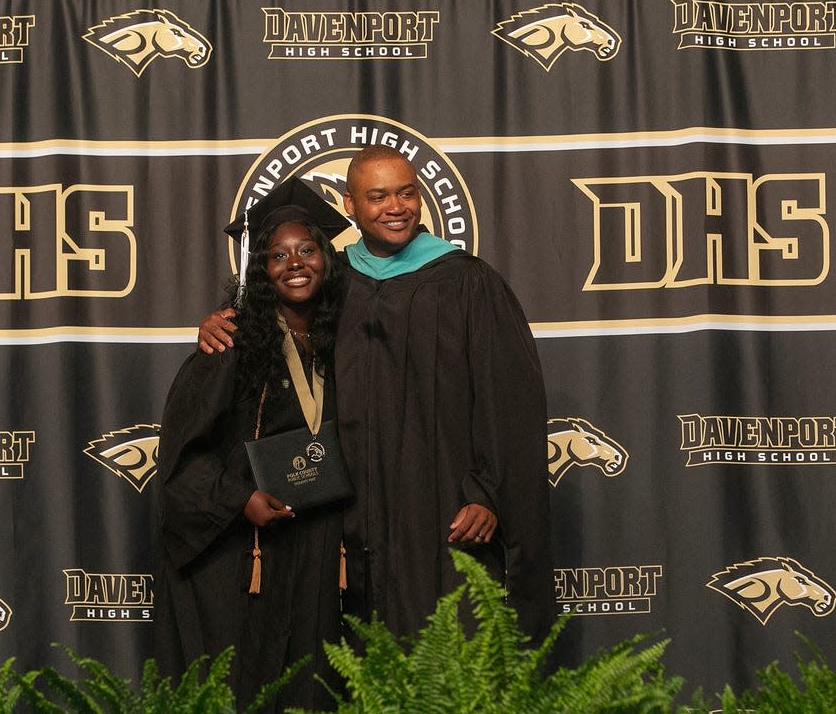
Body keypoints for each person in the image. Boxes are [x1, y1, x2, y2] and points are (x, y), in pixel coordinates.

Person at [199, 146, 554, 642]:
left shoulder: (468, 282)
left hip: (444, 507)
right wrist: (221, 322)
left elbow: (511, 403)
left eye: (407, 193)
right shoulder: (337, 281)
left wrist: (490, 494)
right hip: (352, 516)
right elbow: (276, 330)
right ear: (350, 204)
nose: (396, 207)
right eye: (378, 196)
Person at [154, 179, 351, 712]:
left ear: (326, 259)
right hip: (246, 553)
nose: (295, 263)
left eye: (307, 250)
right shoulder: (229, 344)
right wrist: (238, 499)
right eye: (277, 255)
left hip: (319, 545)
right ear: (260, 272)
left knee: (315, 685)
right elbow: (180, 456)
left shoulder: (347, 339)